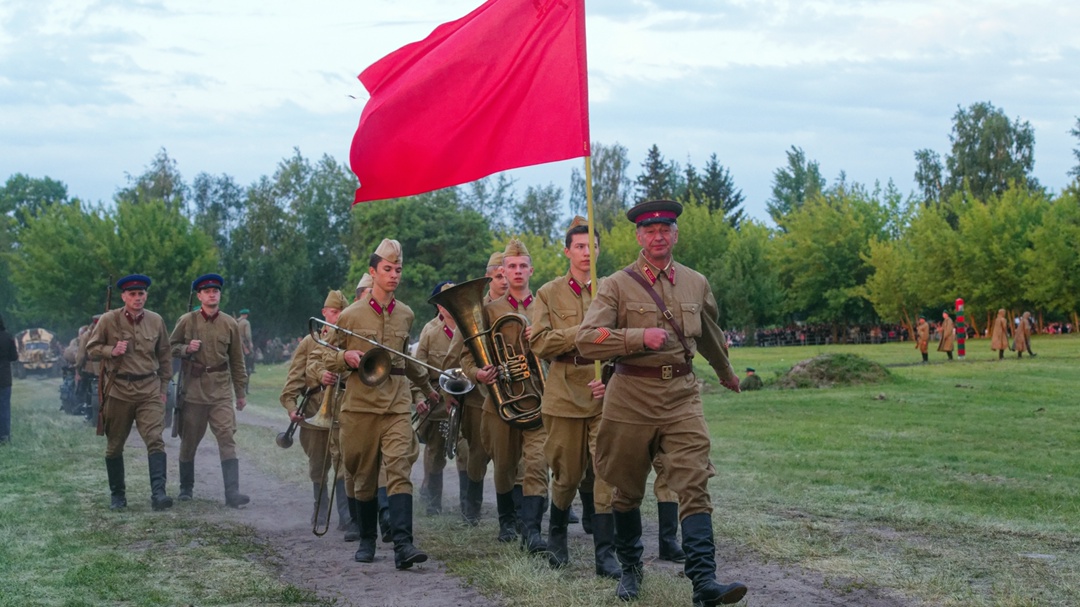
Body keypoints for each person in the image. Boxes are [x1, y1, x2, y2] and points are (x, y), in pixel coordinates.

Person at [576, 200, 747, 606]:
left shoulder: (695, 282)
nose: (658, 237)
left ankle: (704, 583)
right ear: (639, 236)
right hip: (630, 397)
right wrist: (636, 338)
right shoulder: (616, 284)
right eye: (650, 231)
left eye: (665, 229)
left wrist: (725, 372)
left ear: (675, 234)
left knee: (693, 481)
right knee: (626, 489)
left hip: (682, 396)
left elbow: (707, 332)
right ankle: (631, 572)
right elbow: (587, 338)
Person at [326, 239, 438, 569]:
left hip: (396, 405)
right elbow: (324, 355)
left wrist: (428, 386)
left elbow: (406, 359)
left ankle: (404, 544)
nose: (393, 275)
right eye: (387, 269)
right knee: (362, 475)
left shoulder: (406, 314)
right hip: (359, 407)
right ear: (373, 272)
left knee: (400, 469)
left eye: (398, 269)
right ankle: (367, 539)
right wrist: (343, 356)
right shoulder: (349, 315)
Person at [528, 216, 617, 575]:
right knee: (566, 475)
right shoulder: (549, 293)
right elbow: (539, 341)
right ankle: (558, 536)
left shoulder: (613, 289)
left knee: (606, 472)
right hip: (564, 394)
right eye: (579, 246)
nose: (586, 252)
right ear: (567, 251)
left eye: (591, 246)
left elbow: (625, 338)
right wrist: (581, 333)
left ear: (598, 249)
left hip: (604, 394)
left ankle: (605, 554)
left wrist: (609, 375)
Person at [460, 238, 550, 554]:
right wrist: (479, 374)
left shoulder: (544, 306)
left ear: (531, 270)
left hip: (539, 401)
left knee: (537, 464)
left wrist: (541, 339)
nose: (517, 271)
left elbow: (560, 351)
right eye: (511, 266)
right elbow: (466, 358)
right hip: (500, 403)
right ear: (503, 271)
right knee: (504, 466)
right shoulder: (488, 310)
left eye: (523, 266)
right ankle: (506, 522)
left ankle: (533, 530)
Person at [85, 275, 174, 510]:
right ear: (124, 296)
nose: (137, 298)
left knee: (155, 440)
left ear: (146, 295)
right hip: (119, 390)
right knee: (114, 445)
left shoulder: (156, 321)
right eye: (132, 294)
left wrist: (163, 388)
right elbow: (91, 349)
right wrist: (111, 350)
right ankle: (118, 495)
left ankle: (159, 494)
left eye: (141, 293)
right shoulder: (108, 319)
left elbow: (165, 355)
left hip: (149, 389)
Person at [170, 273, 249, 508]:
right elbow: (170, 347)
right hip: (193, 391)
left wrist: (241, 393)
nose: (212, 294)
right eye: (207, 291)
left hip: (221, 390)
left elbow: (237, 360)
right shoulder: (187, 321)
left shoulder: (230, 324)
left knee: (226, 436)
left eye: (216, 291)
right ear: (200, 296)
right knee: (189, 440)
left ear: (219, 294)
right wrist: (186, 348)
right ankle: (186, 488)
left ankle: (232, 493)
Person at [279, 290, 352, 534]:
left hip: (342, 414)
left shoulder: (351, 340)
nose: (337, 317)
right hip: (314, 416)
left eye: (342, 313)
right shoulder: (309, 342)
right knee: (318, 465)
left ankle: (345, 515)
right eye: (334, 313)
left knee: (343, 464)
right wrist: (292, 410)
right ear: (324, 314)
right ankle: (320, 508)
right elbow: (291, 386)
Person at [450, 251, 505, 525]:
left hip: (513, 393)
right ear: (489, 279)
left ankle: (516, 513)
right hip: (476, 397)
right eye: (499, 276)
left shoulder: (516, 306)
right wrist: (465, 381)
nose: (505, 280)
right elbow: (455, 356)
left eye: (507, 274)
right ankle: (472, 507)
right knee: (478, 454)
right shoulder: (474, 309)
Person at [413, 281, 472, 516]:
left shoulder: (468, 327)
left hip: (466, 400)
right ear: (438, 305)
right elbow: (418, 370)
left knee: (466, 452)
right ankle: (433, 502)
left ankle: (467, 505)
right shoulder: (429, 332)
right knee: (435, 452)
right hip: (437, 403)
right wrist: (420, 395)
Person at [0, 314, 17, 445]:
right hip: (4, 377)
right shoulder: (8, 336)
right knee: (5, 407)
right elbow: (14, 357)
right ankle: (4, 436)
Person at [237, 309, 255, 389]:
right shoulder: (246, 323)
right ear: (246, 315)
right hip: (244, 346)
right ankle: (251, 370)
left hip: (236, 345)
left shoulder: (235, 321)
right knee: (249, 363)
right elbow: (247, 334)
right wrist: (250, 343)